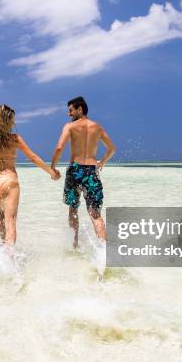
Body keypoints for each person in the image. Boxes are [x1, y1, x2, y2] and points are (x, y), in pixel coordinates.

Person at [0, 104, 60, 248]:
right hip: (9, 181)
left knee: (0, 214)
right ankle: (10, 260)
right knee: (11, 222)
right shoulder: (15, 138)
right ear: (8, 121)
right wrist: (51, 172)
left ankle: (2, 250)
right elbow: (33, 157)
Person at [51, 96, 116, 249]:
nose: (69, 114)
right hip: (91, 171)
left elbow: (59, 147)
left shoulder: (69, 127)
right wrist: (102, 162)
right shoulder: (97, 127)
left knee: (73, 209)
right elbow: (112, 149)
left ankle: (74, 247)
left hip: (75, 170)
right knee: (95, 214)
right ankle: (104, 252)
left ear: (80, 109)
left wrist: (52, 167)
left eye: (71, 110)